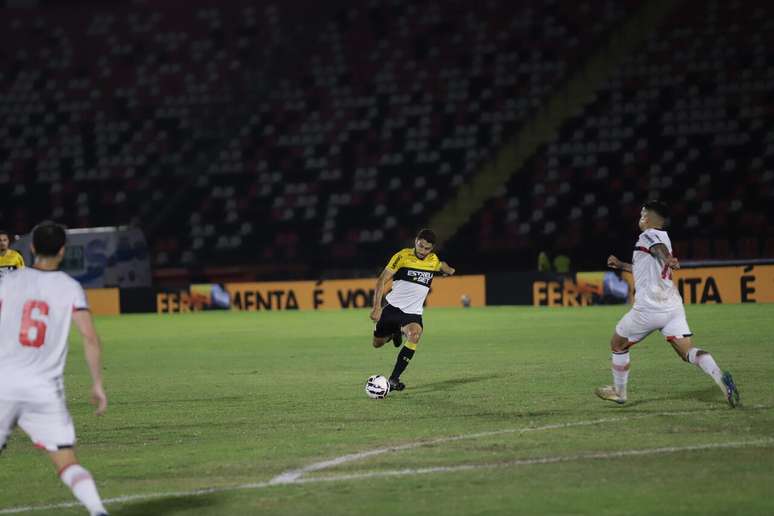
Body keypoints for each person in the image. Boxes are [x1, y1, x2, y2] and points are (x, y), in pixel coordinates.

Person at [0, 222, 109, 516]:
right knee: (66, 460)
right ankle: (98, 511)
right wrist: (97, 383)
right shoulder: (70, 288)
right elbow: (89, 337)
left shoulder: (9, 282)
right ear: (63, 251)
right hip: (44, 390)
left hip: (4, 384)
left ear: (32, 247)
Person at [595, 201, 740, 407]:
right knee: (688, 353)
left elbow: (658, 249)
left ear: (648, 217)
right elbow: (645, 266)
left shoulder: (649, 236)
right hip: (672, 307)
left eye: (643, 213)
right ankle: (721, 378)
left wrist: (669, 259)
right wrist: (621, 265)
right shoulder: (664, 236)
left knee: (617, 344)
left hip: (649, 308)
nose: (640, 216)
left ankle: (620, 392)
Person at [370, 228, 455, 391]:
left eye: (427, 248)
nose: (423, 251)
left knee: (415, 334)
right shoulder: (402, 256)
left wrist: (449, 270)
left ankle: (394, 379)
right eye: (420, 246)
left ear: (432, 248)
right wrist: (376, 307)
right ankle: (394, 333)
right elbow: (381, 280)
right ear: (416, 241)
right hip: (392, 309)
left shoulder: (432, 259)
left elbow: (441, 265)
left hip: (413, 314)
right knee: (377, 344)